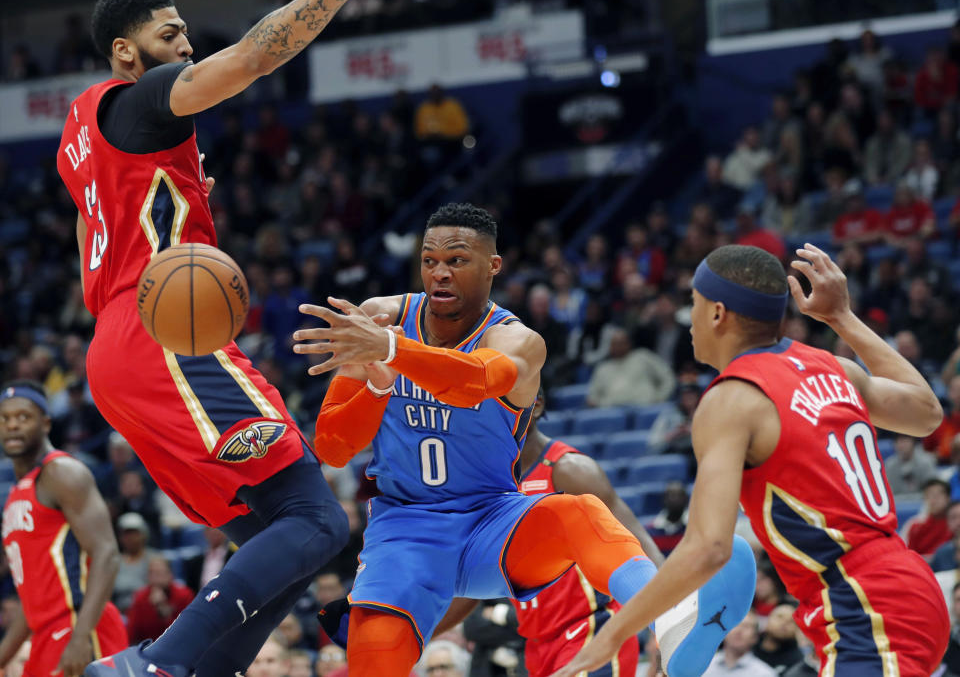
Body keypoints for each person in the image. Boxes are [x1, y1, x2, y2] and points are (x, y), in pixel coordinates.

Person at [59, 0, 427, 677]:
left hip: (116, 353)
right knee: (316, 520)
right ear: (126, 54)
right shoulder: (144, 98)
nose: (186, 44)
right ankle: (153, 664)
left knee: (274, 537)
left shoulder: (82, 128)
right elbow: (258, 54)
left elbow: (115, 220)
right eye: (170, 34)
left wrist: (186, 200)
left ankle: (197, 668)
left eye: (186, 31)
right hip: (165, 337)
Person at [296, 204, 750, 677]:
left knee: (581, 510)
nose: (440, 273)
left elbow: (475, 381)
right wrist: (378, 384)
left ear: (493, 266)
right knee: (372, 662)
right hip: (405, 526)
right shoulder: (379, 319)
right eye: (429, 260)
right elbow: (332, 448)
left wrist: (394, 351)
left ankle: (672, 620)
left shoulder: (519, 340)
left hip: (492, 521)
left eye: (457, 260)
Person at [551, 243, 949, 677]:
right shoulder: (832, 367)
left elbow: (709, 547)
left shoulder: (733, 398)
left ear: (718, 313)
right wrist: (842, 318)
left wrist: (610, 637)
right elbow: (926, 412)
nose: (690, 321)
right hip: (904, 587)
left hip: (865, 604)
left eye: (694, 304)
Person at [436, 390, 664, 677]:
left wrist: (667, 626)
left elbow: (641, 549)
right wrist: (418, 636)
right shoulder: (491, 488)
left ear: (536, 405)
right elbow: (473, 589)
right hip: (537, 646)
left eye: (502, 400)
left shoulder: (569, 470)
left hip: (591, 630)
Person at [0, 382, 127, 677]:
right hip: (45, 635)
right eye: (5, 419)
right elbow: (32, 599)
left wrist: (81, 636)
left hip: (79, 626)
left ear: (45, 423)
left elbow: (107, 553)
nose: (13, 425)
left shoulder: (61, 473)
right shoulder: (17, 493)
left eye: (23, 417)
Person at [125, 556, 195, 645]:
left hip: (176, 647)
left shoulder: (184, 596)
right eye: (151, 573)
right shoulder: (140, 597)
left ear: (170, 575)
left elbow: (186, 633)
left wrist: (163, 609)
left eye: (159, 573)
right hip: (147, 650)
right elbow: (131, 633)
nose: (155, 578)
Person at [702, 613, 777, 677]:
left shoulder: (765, 674)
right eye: (735, 625)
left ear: (755, 637)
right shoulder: (703, 665)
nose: (739, 630)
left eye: (746, 626)